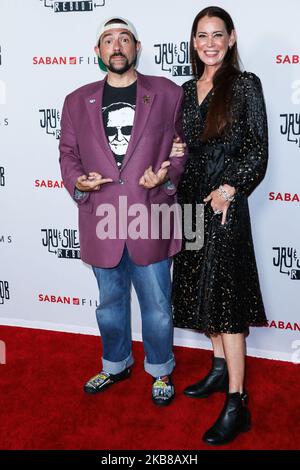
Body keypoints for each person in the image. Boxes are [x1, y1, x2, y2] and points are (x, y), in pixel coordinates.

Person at [59, 17, 186, 406]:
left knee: (159, 307)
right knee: (110, 306)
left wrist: (165, 179)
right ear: (98, 52)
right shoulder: (76, 100)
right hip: (102, 220)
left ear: (137, 46)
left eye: (124, 39)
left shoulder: (166, 93)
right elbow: (68, 155)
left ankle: (161, 369)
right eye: (108, 40)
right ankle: (115, 364)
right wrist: (78, 183)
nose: (117, 46)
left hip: (152, 216)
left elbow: (180, 150)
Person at [171, 6, 268, 444]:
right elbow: (184, 149)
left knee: (226, 304)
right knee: (197, 291)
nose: (209, 43)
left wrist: (231, 188)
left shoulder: (245, 86)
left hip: (224, 207)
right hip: (191, 206)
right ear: (193, 43)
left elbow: (258, 152)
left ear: (230, 38)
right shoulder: (186, 89)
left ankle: (237, 402)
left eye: (217, 35)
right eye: (201, 36)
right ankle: (217, 367)